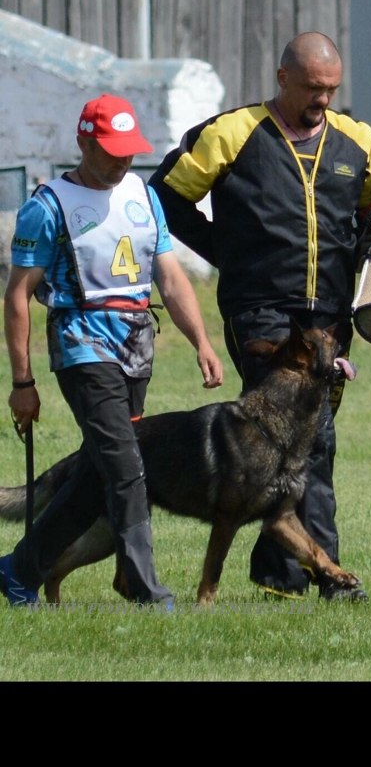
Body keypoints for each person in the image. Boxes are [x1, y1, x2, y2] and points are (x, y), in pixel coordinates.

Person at [148, 31, 371, 602]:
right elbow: (163, 198)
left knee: (297, 445)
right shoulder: (230, 133)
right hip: (260, 311)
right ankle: (328, 575)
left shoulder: (356, 141)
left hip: (331, 318)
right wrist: (225, 252)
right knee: (308, 436)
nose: (323, 101)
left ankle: (281, 576)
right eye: (313, 89)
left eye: (331, 90)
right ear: (283, 77)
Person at [0, 93, 223, 609]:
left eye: (129, 150)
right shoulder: (47, 206)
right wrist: (22, 384)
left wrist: (202, 343)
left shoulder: (144, 197)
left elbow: (169, 277)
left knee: (96, 477)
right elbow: (17, 296)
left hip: (136, 346)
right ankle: (148, 592)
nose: (122, 159)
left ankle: (17, 571)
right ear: (83, 141)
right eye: (110, 149)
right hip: (82, 347)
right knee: (126, 466)